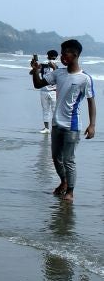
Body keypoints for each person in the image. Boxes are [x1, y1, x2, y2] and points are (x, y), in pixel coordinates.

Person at [30, 39, 96, 202]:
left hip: (72, 126)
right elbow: (38, 85)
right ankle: (64, 182)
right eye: (61, 53)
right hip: (56, 124)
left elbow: (91, 102)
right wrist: (36, 71)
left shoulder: (84, 79)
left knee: (68, 160)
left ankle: (70, 192)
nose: (62, 56)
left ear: (75, 55)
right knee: (55, 158)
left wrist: (92, 125)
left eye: (65, 52)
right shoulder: (58, 73)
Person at [30, 49, 59, 134]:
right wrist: (34, 68)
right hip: (44, 90)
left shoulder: (57, 67)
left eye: (53, 58)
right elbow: (31, 73)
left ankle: (53, 127)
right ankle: (47, 128)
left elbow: (58, 77)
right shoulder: (42, 65)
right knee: (47, 110)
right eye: (51, 57)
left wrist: (54, 67)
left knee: (52, 110)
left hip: (52, 91)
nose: (51, 59)